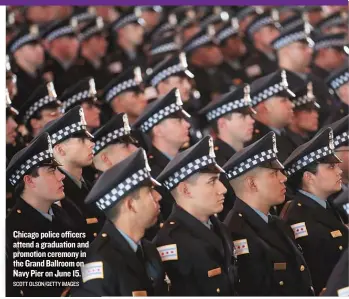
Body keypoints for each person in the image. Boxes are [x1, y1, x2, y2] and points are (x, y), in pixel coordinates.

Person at [223, 132, 315, 296]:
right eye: (274, 174)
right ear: (252, 183)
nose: (283, 178)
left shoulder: (277, 223)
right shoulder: (237, 232)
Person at [71, 148, 169, 296]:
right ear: (130, 205)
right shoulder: (100, 262)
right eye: (150, 191)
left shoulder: (149, 250)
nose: (158, 196)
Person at [154, 136, 238, 296]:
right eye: (212, 181)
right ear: (185, 190)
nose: (223, 189)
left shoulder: (219, 227)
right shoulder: (170, 242)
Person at [6, 133, 82, 297]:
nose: (61, 176)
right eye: (51, 171)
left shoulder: (64, 213)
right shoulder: (13, 231)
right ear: (30, 181)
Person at [280, 127, 348, 295]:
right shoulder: (298, 219)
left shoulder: (328, 207)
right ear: (309, 177)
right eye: (331, 167)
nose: (339, 170)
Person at [41, 106, 104, 241]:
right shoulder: (54, 195)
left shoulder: (91, 187)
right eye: (82, 140)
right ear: (60, 150)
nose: (91, 144)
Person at [133, 88, 191, 219]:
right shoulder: (150, 172)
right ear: (158, 130)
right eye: (178, 121)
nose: (187, 124)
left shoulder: (186, 161)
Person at [271, 21, 336, 127]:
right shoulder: (277, 86)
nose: (310, 51)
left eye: (309, 46)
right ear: (285, 50)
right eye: (302, 47)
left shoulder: (315, 79)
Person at [248, 69, 298, 162]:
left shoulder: (285, 133)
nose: (292, 105)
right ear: (264, 107)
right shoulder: (257, 144)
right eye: (283, 101)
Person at [7, 24, 46, 109]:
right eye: (32, 46)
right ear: (17, 52)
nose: (40, 49)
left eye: (40, 45)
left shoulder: (42, 79)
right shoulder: (12, 82)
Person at [42, 17, 80, 95]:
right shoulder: (45, 71)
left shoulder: (76, 70)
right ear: (55, 42)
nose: (76, 42)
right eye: (70, 38)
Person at [73, 17, 111, 92]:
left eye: (105, 38)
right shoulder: (76, 72)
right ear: (84, 42)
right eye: (98, 38)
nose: (105, 43)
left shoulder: (107, 64)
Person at [242, 10, 280, 82]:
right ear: (257, 35)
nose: (277, 33)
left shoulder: (280, 54)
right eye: (271, 30)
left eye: (277, 29)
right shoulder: (252, 63)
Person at [106, 9, 147, 75]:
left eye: (141, 27)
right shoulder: (110, 58)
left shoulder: (144, 54)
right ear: (121, 31)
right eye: (135, 27)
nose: (141, 31)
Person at [285, 80, 321, 149]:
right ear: (293, 113)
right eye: (308, 111)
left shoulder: (311, 139)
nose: (316, 115)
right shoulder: (285, 144)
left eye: (315, 110)